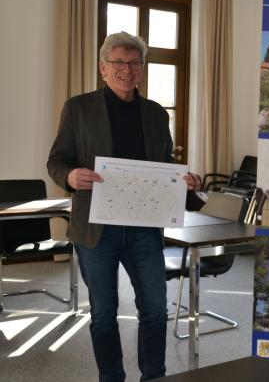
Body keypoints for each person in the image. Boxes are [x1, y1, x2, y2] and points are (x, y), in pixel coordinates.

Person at [47, 32, 201, 382]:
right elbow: (57, 160)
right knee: (103, 313)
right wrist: (70, 176)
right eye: (118, 62)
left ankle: (154, 375)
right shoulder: (78, 108)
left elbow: (163, 164)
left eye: (134, 63)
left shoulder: (155, 113)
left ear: (142, 70)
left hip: (145, 228)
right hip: (95, 228)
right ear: (103, 68)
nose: (126, 70)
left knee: (155, 311)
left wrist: (185, 181)